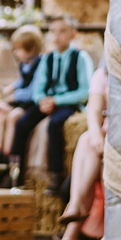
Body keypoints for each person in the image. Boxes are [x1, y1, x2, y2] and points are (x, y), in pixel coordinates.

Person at [9, 15, 93, 194]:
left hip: (68, 102)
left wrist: (57, 100)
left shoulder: (81, 57)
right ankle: (15, 173)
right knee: (22, 123)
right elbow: (38, 87)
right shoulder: (47, 59)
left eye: (62, 31)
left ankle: (55, 174)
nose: (57, 36)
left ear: (73, 34)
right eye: (53, 31)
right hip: (48, 101)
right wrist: (42, 100)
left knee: (55, 124)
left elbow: (84, 91)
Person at [53, 65, 108, 240]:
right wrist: (96, 135)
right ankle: (75, 205)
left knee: (93, 152)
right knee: (86, 138)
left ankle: (72, 229)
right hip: (102, 141)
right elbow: (93, 112)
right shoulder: (103, 73)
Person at [0, 24, 44, 164]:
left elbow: (33, 91)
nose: (16, 53)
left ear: (32, 48)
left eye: (19, 49)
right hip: (21, 98)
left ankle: (8, 155)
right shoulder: (24, 63)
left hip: (30, 102)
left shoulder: (40, 64)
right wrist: (8, 88)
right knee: (0, 111)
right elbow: (21, 81)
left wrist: (14, 96)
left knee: (13, 117)